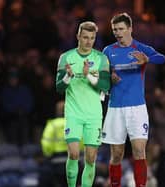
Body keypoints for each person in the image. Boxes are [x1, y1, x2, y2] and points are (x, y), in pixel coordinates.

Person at [101, 13, 165, 187]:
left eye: (121, 29)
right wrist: (109, 77)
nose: (118, 33)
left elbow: (162, 58)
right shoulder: (108, 51)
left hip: (137, 108)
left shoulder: (140, 48)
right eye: (115, 30)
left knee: (139, 151)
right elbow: (101, 76)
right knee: (116, 153)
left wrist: (147, 59)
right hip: (115, 108)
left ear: (130, 29)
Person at [55, 21, 110, 187]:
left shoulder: (101, 58)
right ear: (78, 37)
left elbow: (106, 86)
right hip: (73, 113)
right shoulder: (66, 57)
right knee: (73, 154)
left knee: (91, 158)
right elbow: (58, 88)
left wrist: (89, 76)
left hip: (93, 115)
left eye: (92, 38)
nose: (88, 41)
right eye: (85, 37)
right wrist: (67, 77)